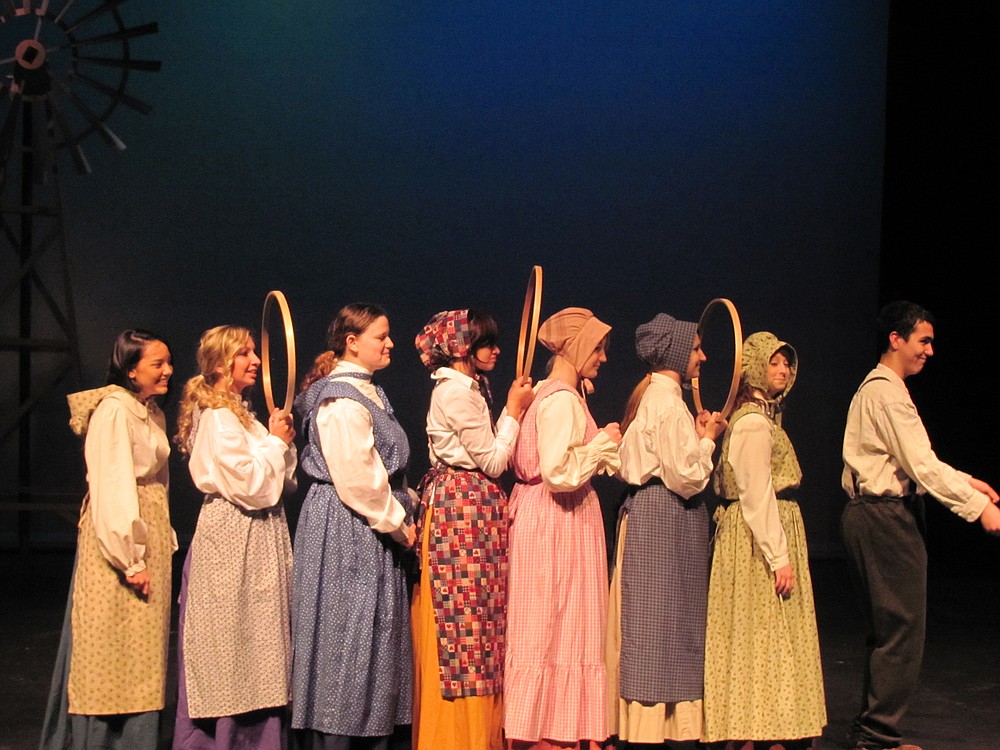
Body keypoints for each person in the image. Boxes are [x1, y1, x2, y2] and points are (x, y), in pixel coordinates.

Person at [841, 300, 1000, 750]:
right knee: (901, 630)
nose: (930, 350)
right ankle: (876, 736)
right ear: (896, 339)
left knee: (888, 629)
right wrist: (977, 507)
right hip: (884, 518)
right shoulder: (887, 392)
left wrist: (969, 481)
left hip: (871, 515)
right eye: (923, 340)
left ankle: (873, 732)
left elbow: (916, 462)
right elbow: (922, 466)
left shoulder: (881, 389)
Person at [39, 329, 176, 750]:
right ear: (131, 370)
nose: (168, 370)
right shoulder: (115, 411)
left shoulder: (147, 410)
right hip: (120, 541)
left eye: (169, 361)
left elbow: (158, 481)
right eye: (157, 364)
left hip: (147, 532)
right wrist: (130, 560)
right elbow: (112, 486)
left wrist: (161, 539)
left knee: (142, 653)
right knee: (110, 647)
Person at [291, 303, 417, 750]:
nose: (389, 343)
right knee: (348, 633)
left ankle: (370, 731)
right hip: (347, 526)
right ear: (351, 341)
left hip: (367, 525)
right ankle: (340, 737)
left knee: (373, 633)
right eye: (380, 336)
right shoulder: (339, 399)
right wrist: (399, 524)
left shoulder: (367, 392)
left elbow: (381, 470)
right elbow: (359, 479)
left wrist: (411, 502)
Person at [411, 309, 534, 750]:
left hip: (472, 508)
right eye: (486, 343)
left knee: (479, 621)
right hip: (460, 512)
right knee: (463, 622)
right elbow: (495, 462)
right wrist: (514, 412)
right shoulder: (456, 394)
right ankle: (458, 738)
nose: (495, 351)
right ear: (463, 348)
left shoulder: (470, 388)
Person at [172, 326, 298, 749]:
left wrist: (278, 438)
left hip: (258, 533)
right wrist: (276, 445)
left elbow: (279, 480)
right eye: (245, 353)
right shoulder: (219, 418)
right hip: (234, 534)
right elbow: (251, 484)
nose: (256, 360)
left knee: (257, 639)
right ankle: (224, 739)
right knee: (232, 641)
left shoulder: (241, 416)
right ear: (222, 364)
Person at [503, 307, 622, 750]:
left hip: (551, 517)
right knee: (555, 624)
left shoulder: (556, 397)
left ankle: (550, 728)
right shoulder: (561, 400)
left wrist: (602, 444)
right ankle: (550, 734)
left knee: (554, 625)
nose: (603, 358)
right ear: (575, 347)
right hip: (557, 520)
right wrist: (599, 446)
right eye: (597, 348)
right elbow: (558, 472)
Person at [702, 332, 826, 749]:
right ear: (754, 366)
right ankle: (759, 730)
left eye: (786, 363)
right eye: (773, 362)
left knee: (765, 633)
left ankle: (768, 726)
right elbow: (756, 494)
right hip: (759, 537)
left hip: (761, 530)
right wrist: (778, 556)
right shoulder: (753, 423)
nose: (783, 370)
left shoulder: (762, 418)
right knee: (763, 634)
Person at [607, 312, 725, 748]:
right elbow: (688, 476)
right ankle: (656, 729)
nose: (702, 356)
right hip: (665, 516)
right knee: (660, 625)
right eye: (695, 348)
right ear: (676, 352)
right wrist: (709, 439)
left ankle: (651, 727)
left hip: (653, 514)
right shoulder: (668, 404)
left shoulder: (653, 401)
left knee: (658, 623)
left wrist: (694, 439)